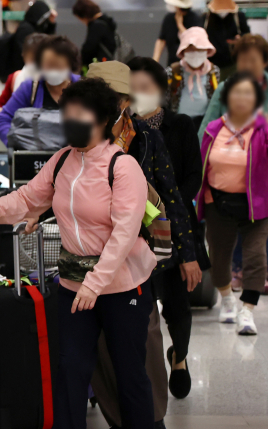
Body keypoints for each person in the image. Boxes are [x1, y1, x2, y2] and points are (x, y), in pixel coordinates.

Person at [0, 77, 157, 429]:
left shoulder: (122, 167)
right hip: (72, 284)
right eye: (68, 115)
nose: (71, 122)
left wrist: (95, 284)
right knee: (68, 369)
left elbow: (124, 233)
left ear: (102, 121)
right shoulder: (63, 160)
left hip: (122, 286)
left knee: (128, 374)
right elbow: (26, 199)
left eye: (80, 115)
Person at [86, 61, 200, 429]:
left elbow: (172, 198)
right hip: (88, 263)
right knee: (101, 350)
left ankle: (151, 419)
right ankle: (120, 419)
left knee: (145, 341)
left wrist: (188, 254)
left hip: (137, 262)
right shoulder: (75, 143)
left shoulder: (145, 139)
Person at [197, 34, 268, 293]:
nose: (248, 65)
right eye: (243, 60)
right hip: (227, 171)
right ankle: (237, 270)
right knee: (231, 221)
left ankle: (261, 272)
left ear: (266, 62)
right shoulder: (226, 88)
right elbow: (207, 126)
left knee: (264, 221)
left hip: (264, 171)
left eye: (254, 60)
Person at [129, 56, 203, 400]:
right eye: (133, 89)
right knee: (142, 306)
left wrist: (164, 213)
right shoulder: (121, 129)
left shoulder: (180, 125)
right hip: (133, 234)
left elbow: (191, 178)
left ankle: (180, 356)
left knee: (178, 304)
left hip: (174, 225)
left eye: (145, 88)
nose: (138, 95)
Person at [198, 72, 268, 335]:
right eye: (236, 92)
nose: (241, 98)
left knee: (256, 258)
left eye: (248, 93)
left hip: (257, 206)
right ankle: (227, 299)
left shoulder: (264, 128)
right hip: (218, 203)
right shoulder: (213, 128)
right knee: (218, 257)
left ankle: (247, 311)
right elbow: (202, 163)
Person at [0, 35, 81, 146]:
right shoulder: (30, 88)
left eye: (58, 66)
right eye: (48, 65)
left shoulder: (84, 89)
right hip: (39, 158)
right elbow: (2, 119)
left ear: (71, 65)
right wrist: (15, 143)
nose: (53, 70)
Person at [166, 27, 220, 131]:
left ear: (206, 50)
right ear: (184, 51)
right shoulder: (173, 71)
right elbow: (165, 100)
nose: (195, 53)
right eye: (191, 49)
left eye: (199, 49)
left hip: (204, 123)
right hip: (178, 123)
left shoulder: (213, 71)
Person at [204, 0, 250, 80]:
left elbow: (247, 35)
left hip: (233, 63)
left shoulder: (238, 16)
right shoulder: (207, 18)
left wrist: (240, 38)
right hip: (211, 63)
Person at [0, 33, 48, 110]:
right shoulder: (15, 78)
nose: (37, 65)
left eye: (41, 60)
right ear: (24, 56)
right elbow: (0, 105)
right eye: (33, 60)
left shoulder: (55, 81)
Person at [153, 0, 203, 66]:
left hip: (191, 67)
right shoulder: (169, 18)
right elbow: (161, 40)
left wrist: (180, 25)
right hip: (172, 65)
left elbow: (193, 43)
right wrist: (155, 61)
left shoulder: (196, 20)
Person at [7, 0, 58, 74]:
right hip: (23, 69)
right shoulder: (25, 29)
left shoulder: (36, 27)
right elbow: (21, 51)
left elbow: (49, 41)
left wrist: (51, 23)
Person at [71, 0, 118, 69]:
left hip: (101, 67)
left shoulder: (97, 26)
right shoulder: (107, 23)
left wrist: (80, 63)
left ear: (83, 15)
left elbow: (89, 48)